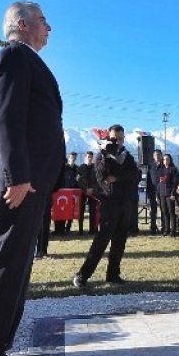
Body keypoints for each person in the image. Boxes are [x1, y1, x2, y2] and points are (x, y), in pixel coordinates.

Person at [0, 1, 64, 356]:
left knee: (18, 269)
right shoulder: (12, 57)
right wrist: (18, 177)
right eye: (43, 20)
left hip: (29, 184)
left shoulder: (29, 59)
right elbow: (5, 118)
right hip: (17, 185)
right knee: (7, 268)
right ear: (22, 24)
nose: (49, 27)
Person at [72, 124, 141, 290]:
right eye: (114, 139)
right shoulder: (101, 156)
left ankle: (113, 275)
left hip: (125, 202)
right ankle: (82, 276)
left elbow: (136, 175)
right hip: (110, 203)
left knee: (119, 241)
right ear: (108, 138)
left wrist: (117, 177)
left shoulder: (127, 155)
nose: (118, 142)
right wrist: (109, 157)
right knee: (101, 241)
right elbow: (102, 175)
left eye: (121, 138)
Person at [155, 153, 178, 235]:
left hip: (170, 194)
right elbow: (158, 183)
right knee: (164, 212)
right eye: (164, 159)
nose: (165, 161)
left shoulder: (173, 169)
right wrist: (157, 195)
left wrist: (173, 194)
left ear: (170, 160)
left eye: (167, 159)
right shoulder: (161, 170)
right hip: (162, 194)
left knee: (171, 212)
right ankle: (166, 229)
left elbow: (175, 183)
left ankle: (173, 230)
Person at [77, 152, 99, 233]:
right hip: (83, 192)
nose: (90, 158)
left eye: (91, 157)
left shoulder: (95, 168)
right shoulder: (80, 168)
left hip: (93, 192)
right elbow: (78, 180)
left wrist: (92, 189)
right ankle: (80, 230)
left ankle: (93, 230)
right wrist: (85, 189)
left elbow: (98, 180)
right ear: (85, 157)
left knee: (93, 211)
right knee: (81, 211)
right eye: (88, 157)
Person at [144, 150, 161, 233]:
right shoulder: (150, 166)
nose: (157, 156)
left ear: (161, 156)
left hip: (162, 192)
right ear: (153, 156)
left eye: (158, 155)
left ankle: (165, 227)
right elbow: (148, 180)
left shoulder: (164, 165)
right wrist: (148, 193)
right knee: (153, 211)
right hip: (152, 192)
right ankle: (153, 227)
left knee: (164, 211)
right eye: (155, 155)